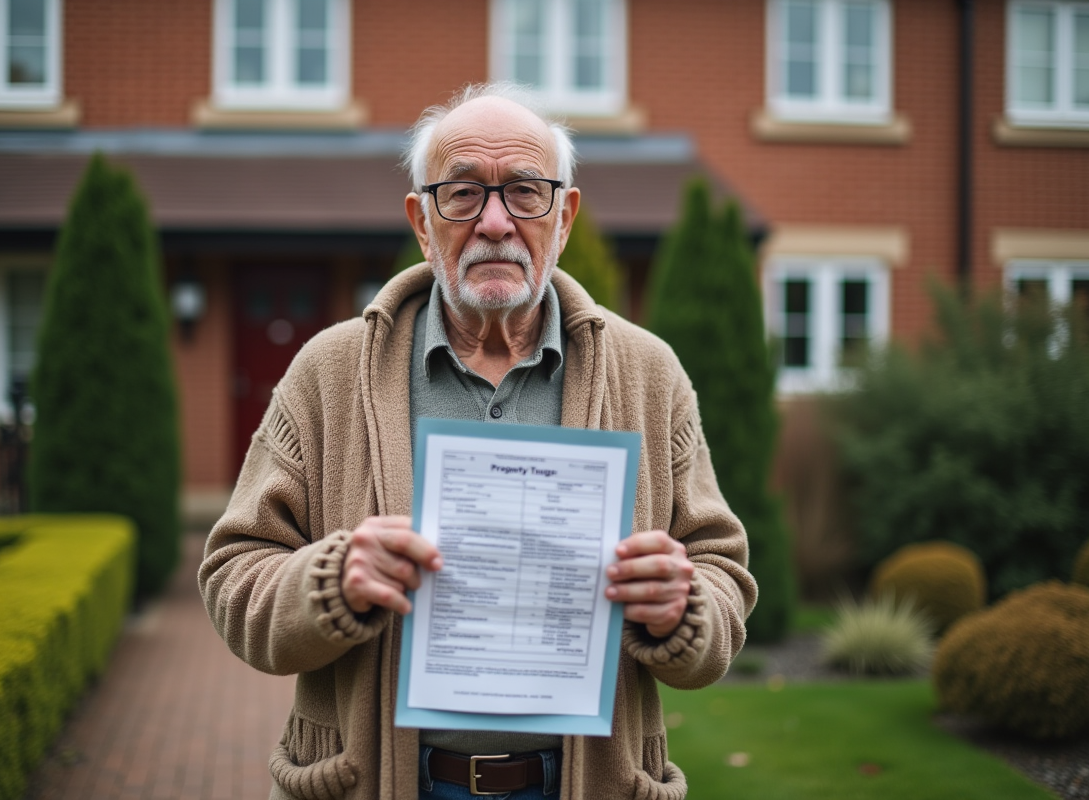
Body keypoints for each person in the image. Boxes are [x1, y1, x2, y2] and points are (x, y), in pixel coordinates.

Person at [199, 83, 757, 800]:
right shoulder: (327, 373)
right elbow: (232, 575)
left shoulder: (651, 374)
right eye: (462, 193)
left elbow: (722, 577)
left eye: (525, 192)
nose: (495, 222)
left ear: (564, 217)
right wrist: (330, 581)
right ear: (423, 221)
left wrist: (685, 606)